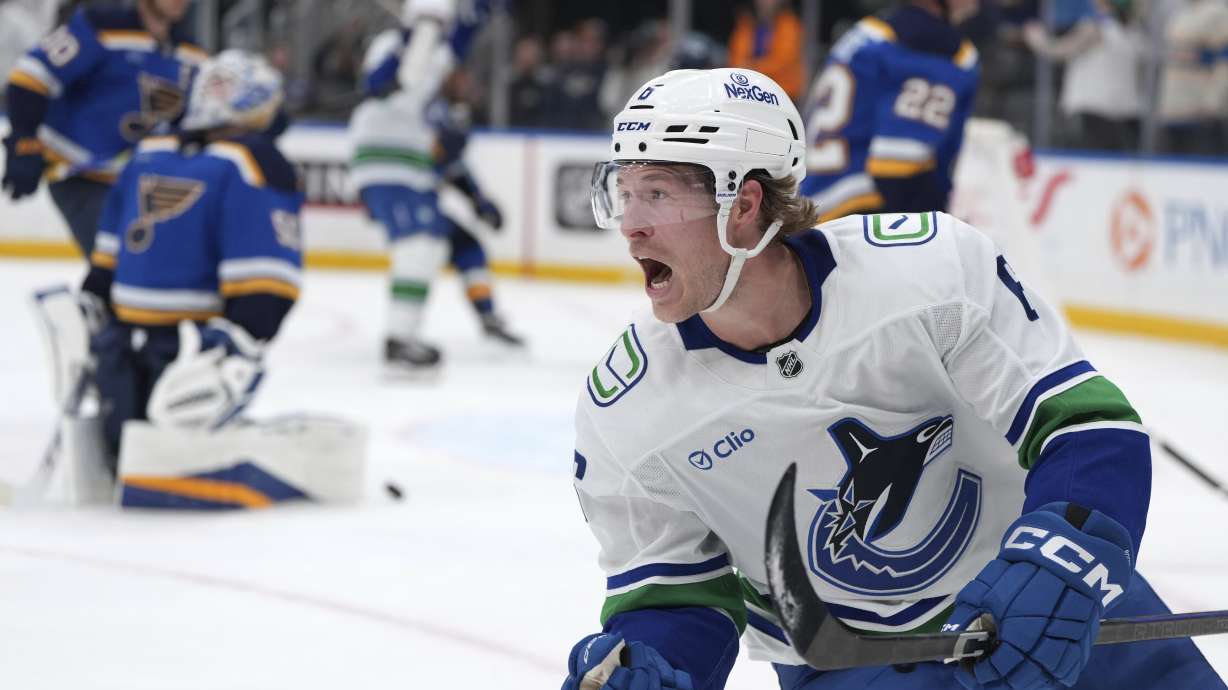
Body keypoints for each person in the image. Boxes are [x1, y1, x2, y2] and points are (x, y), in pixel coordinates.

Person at [562, 67, 1225, 690]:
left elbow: (1089, 429)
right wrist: (648, 664)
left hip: (1047, 611)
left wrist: (1059, 563)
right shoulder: (626, 409)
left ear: (744, 204)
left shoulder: (929, 272)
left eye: (657, 194)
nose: (631, 226)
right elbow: (675, 595)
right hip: (854, 669)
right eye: (624, 194)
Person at [79, 49, 301, 475]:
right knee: (211, 388)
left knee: (124, 428)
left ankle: (119, 444)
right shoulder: (253, 161)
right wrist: (245, 338)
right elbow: (265, 277)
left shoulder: (146, 153)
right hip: (191, 349)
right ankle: (178, 456)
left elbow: (105, 261)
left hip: (121, 344)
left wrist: (95, 306)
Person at [349, 0, 521, 373]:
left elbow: (449, 163)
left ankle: (488, 316)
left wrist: (478, 200)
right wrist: (412, 36)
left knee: (465, 243)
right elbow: (375, 85)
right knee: (420, 245)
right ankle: (399, 338)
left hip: (414, 177)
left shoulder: (439, 105)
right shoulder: (394, 45)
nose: (464, 80)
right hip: (385, 168)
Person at [3, 0, 204, 259]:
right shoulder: (100, 27)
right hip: (81, 175)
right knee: (123, 262)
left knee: (161, 264)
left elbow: (196, 119)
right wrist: (24, 139)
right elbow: (29, 75)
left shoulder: (192, 53)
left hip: (142, 182)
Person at [800, 0, 980, 224]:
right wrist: (935, 228)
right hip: (856, 211)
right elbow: (898, 164)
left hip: (811, 204)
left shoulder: (869, 31)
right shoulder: (941, 49)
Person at [1022, 0, 1144, 151]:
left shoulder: (1095, 28)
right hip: (1125, 113)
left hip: (1092, 109)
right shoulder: (1134, 32)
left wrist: (1037, 39)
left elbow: (1060, 51)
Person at [727, 0, 805, 102]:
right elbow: (736, 57)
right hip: (748, 91)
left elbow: (783, 60)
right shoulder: (746, 23)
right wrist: (744, 69)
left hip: (782, 93)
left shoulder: (790, 24)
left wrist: (753, 69)